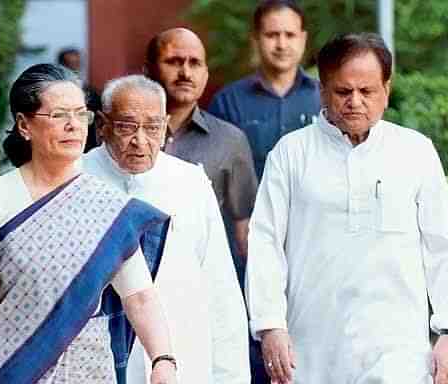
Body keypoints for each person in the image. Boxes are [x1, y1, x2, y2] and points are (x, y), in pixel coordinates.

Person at [246, 32, 448, 384]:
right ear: (322, 91)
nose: (355, 101)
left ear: (386, 90)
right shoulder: (290, 154)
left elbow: (444, 246)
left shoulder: (415, 152)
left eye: (367, 91)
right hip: (310, 352)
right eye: (343, 91)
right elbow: (265, 244)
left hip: (399, 351)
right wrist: (270, 325)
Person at [0, 64, 177, 384]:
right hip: (2, 369)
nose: (74, 126)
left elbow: (139, 297)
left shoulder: (106, 206)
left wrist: (163, 360)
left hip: (85, 371)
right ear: (24, 125)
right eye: (59, 115)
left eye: (81, 114)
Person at [83, 75, 250, 384]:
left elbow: (219, 287)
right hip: (94, 359)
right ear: (102, 126)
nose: (140, 141)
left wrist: (232, 376)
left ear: (165, 128)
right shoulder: (77, 180)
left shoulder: (190, 182)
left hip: (182, 352)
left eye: (152, 127)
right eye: (127, 127)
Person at [143, 28, 258, 272]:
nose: (185, 72)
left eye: (195, 63)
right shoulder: (127, 134)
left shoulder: (229, 141)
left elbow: (244, 230)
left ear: (205, 74)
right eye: (174, 62)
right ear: (148, 71)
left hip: (201, 278)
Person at [208, 0, 321, 181]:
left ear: (303, 39)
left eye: (290, 35)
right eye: (272, 35)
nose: (281, 45)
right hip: (251, 209)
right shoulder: (227, 102)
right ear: (256, 39)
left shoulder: (325, 98)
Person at [57, 47, 102, 151]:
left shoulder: (91, 93)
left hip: (86, 146)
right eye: (69, 64)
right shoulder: (52, 95)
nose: (74, 68)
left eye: (76, 64)